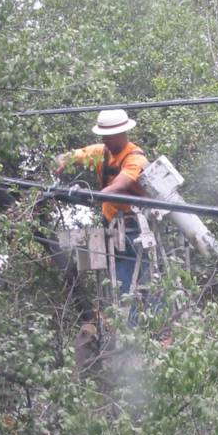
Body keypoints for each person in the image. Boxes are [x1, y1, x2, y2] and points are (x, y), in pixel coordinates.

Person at [54, 108, 149, 295]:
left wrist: (91, 195)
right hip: (113, 228)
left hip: (134, 232)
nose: (105, 140)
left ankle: (141, 312)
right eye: (103, 136)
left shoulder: (135, 159)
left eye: (108, 136)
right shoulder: (101, 152)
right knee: (117, 283)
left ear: (121, 134)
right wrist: (62, 161)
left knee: (136, 284)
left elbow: (118, 187)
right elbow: (74, 155)